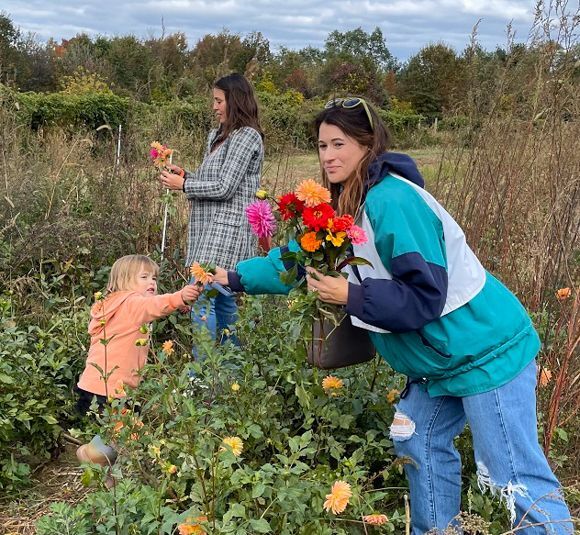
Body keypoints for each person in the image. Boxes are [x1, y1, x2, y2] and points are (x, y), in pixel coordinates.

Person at [212, 98, 573, 533]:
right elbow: (297, 260)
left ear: (368, 144)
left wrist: (350, 293)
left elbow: (426, 295)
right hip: (439, 363)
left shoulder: (392, 200)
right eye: (322, 145)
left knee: (512, 474)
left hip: (485, 352)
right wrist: (234, 277)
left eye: (339, 143)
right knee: (416, 438)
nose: (328, 155)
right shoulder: (344, 205)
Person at [159, 73, 264, 344]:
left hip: (228, 228)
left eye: (219, 101)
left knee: (203, 296)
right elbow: (212, 181)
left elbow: (225, 187)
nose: (214, 107)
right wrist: (187, 175)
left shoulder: (246, 137)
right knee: (222, 298)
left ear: (236, 101)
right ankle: (230, 369)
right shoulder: (217, 136)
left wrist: (183, 185)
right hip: (211, 227)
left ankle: (203, 373)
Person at [75, 254, 201, 473]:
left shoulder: (113, 304)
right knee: (131, 437)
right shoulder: (131, 302)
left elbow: (151, 308)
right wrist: (180, 296)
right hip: (110, 388)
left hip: (97, 386)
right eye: (144, 277)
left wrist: (175, 304)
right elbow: (154, 306)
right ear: (124, 281)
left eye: (154, 278)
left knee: (116, 434)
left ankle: (89, 453)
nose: (152, 282)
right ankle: (117, 483)